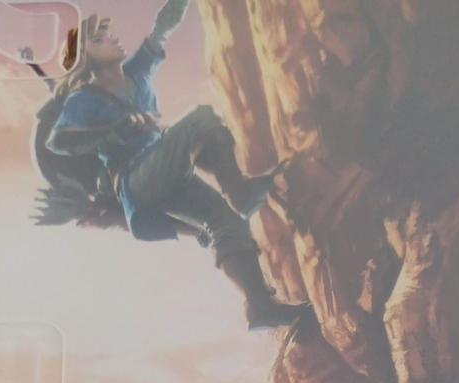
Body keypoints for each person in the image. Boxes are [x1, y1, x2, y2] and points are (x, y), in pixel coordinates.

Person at [33, 5, 308, 330]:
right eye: (99, 38)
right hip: (139, 178)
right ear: (85, 58)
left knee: (225, 220)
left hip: (167, 173)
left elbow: (162, 28)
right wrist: (113, 129)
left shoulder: (137, 71)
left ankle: (260, 306)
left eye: (107, 33)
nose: (112, 38)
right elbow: (58, 142)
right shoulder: (83, 99)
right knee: (201, 118)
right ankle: (240, 191)